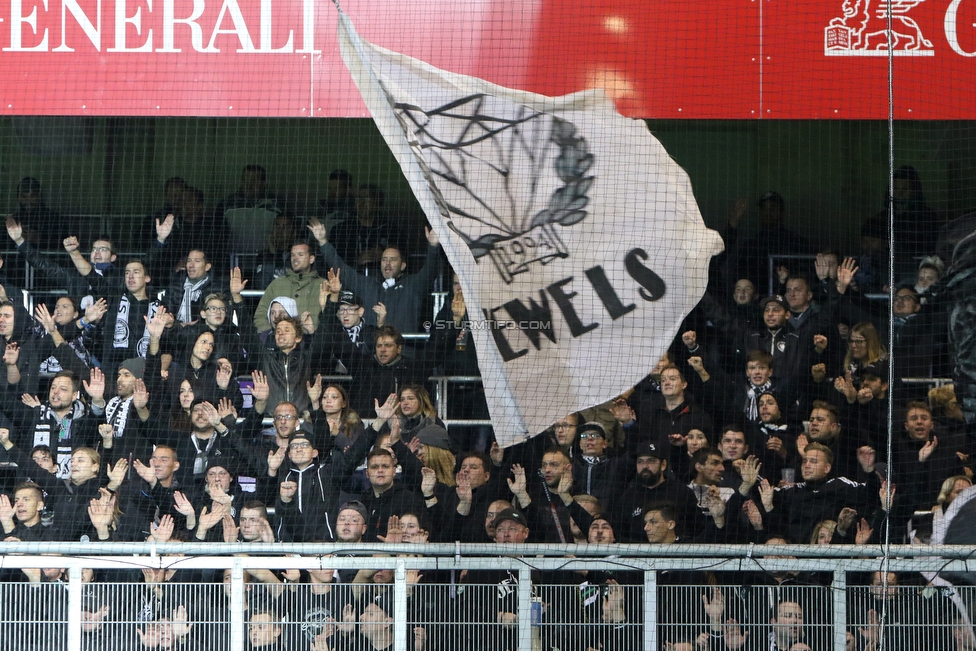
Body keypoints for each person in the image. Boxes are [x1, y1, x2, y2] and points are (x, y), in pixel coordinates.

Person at [308, 217, 441, 333]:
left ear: (403, 266)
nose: (387, 263)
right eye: (384, 259)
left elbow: (430, 271)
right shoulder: (368, 285)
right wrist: (323, 242)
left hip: (404, 353)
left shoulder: (414, 285)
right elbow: (342, 270)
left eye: (393, 260)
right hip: (371, 355)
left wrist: (433, 246)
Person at [252, 241, 325, 334]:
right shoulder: (277, 283)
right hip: (280, 345)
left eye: (300, 255)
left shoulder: (323, 285)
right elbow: (260, 315)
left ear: (311, 259)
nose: (295, 258)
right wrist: (270, 336)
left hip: (313, 344)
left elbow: (332, 321)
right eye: (292, 255)